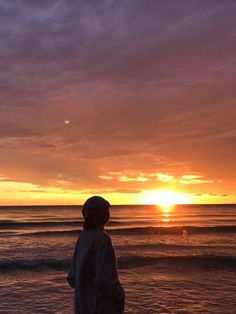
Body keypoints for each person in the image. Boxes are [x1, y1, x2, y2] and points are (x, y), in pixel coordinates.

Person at [67, 196, 125, 314]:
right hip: (100, 306)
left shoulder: (82, 237)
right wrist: (119, 294)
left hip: (82, 306)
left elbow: (72, 278)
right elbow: (105, 278)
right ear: (104, 216)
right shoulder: (102, 238)